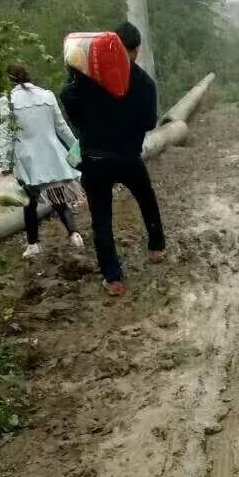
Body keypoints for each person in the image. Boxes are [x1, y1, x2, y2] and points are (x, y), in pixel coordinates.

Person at [61, 22, 166, 297]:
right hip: (128, 156)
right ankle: (156, 247)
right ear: (137, 50)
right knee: (146, 199)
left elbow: (69, 101)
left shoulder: (87, 78)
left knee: (102, 219)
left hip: (94, 159)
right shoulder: (143, 82)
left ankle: (113, 278)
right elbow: (149, 121)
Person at [0, 64, 84, 259]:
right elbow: (61, 127)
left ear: (9, 80)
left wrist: (4, 165)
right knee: (58, 198)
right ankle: (75, 234)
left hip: (27, 161)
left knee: (29, 203)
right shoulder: (47, 95)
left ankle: (33, 244)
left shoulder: (7, 100)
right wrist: (76, 148)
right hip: (52, 155)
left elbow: (7, 135)